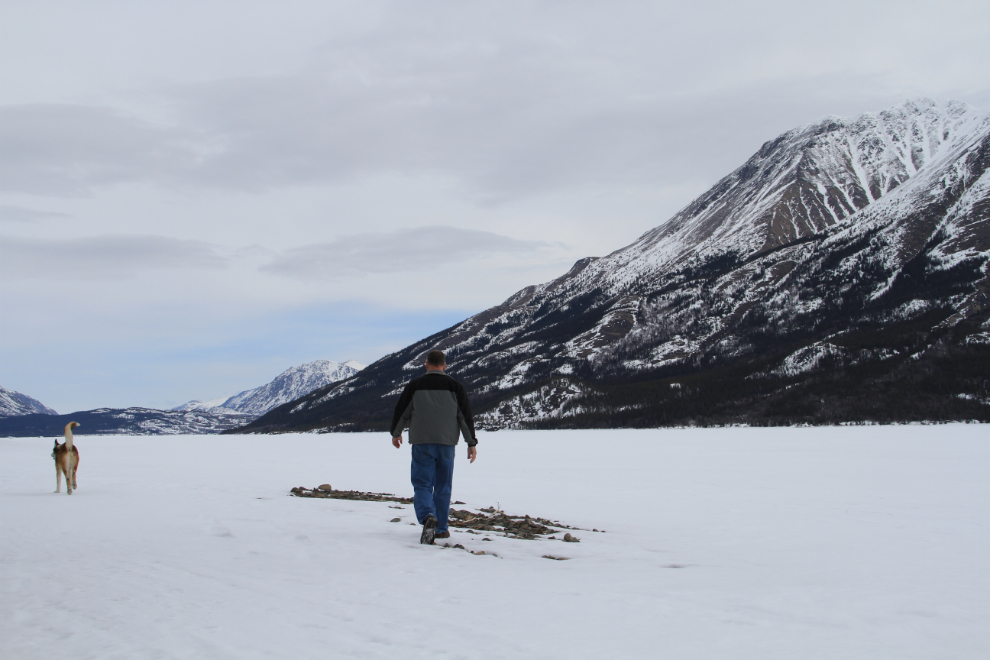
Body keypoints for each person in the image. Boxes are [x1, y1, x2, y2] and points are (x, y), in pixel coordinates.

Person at [390, 349, 478, 545]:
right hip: (447, 445)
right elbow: (464, 417)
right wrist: (471, 443)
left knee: (422, 484)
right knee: (443, 486)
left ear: (426, 364)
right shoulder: (455, 387)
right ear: (445, 366)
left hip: (422, 443)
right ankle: (441, 529)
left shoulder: (415, 386)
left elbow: (402, 411)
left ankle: (427, 515)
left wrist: (396, 433)